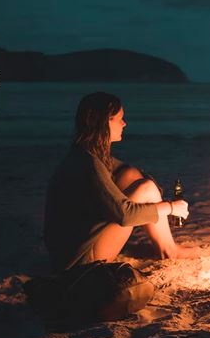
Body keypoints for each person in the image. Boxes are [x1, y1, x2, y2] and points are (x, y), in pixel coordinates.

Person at [44, 92, 198, 271]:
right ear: (104, 122)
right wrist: (171, 207)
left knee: (131, 175)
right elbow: (125, 216)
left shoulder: (85, 153)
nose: (124, 124)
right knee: (146, 189)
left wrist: (155, 195)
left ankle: (167, 246)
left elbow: (132, 174)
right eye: (119, 119)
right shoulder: (89, 164)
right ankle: (169, 250)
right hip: (81, 261)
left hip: (69, 251)